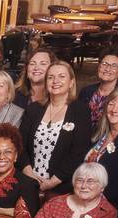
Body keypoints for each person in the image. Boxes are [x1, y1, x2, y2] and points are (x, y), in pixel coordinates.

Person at [20, 61, 93, 196]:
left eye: (61, 76)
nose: (55, 81)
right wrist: (30, 175)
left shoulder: (80, 111)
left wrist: (52, 182)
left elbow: (78, 153)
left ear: (71, 82)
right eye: (51, 77)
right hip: (29, 183)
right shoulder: (33, 109)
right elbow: (20, 145)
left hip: (61, 188)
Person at [78, 46, 118, 127]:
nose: (107, 69)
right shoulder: (86, 91)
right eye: (104, 64)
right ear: (99, 66)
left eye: (114, 65)